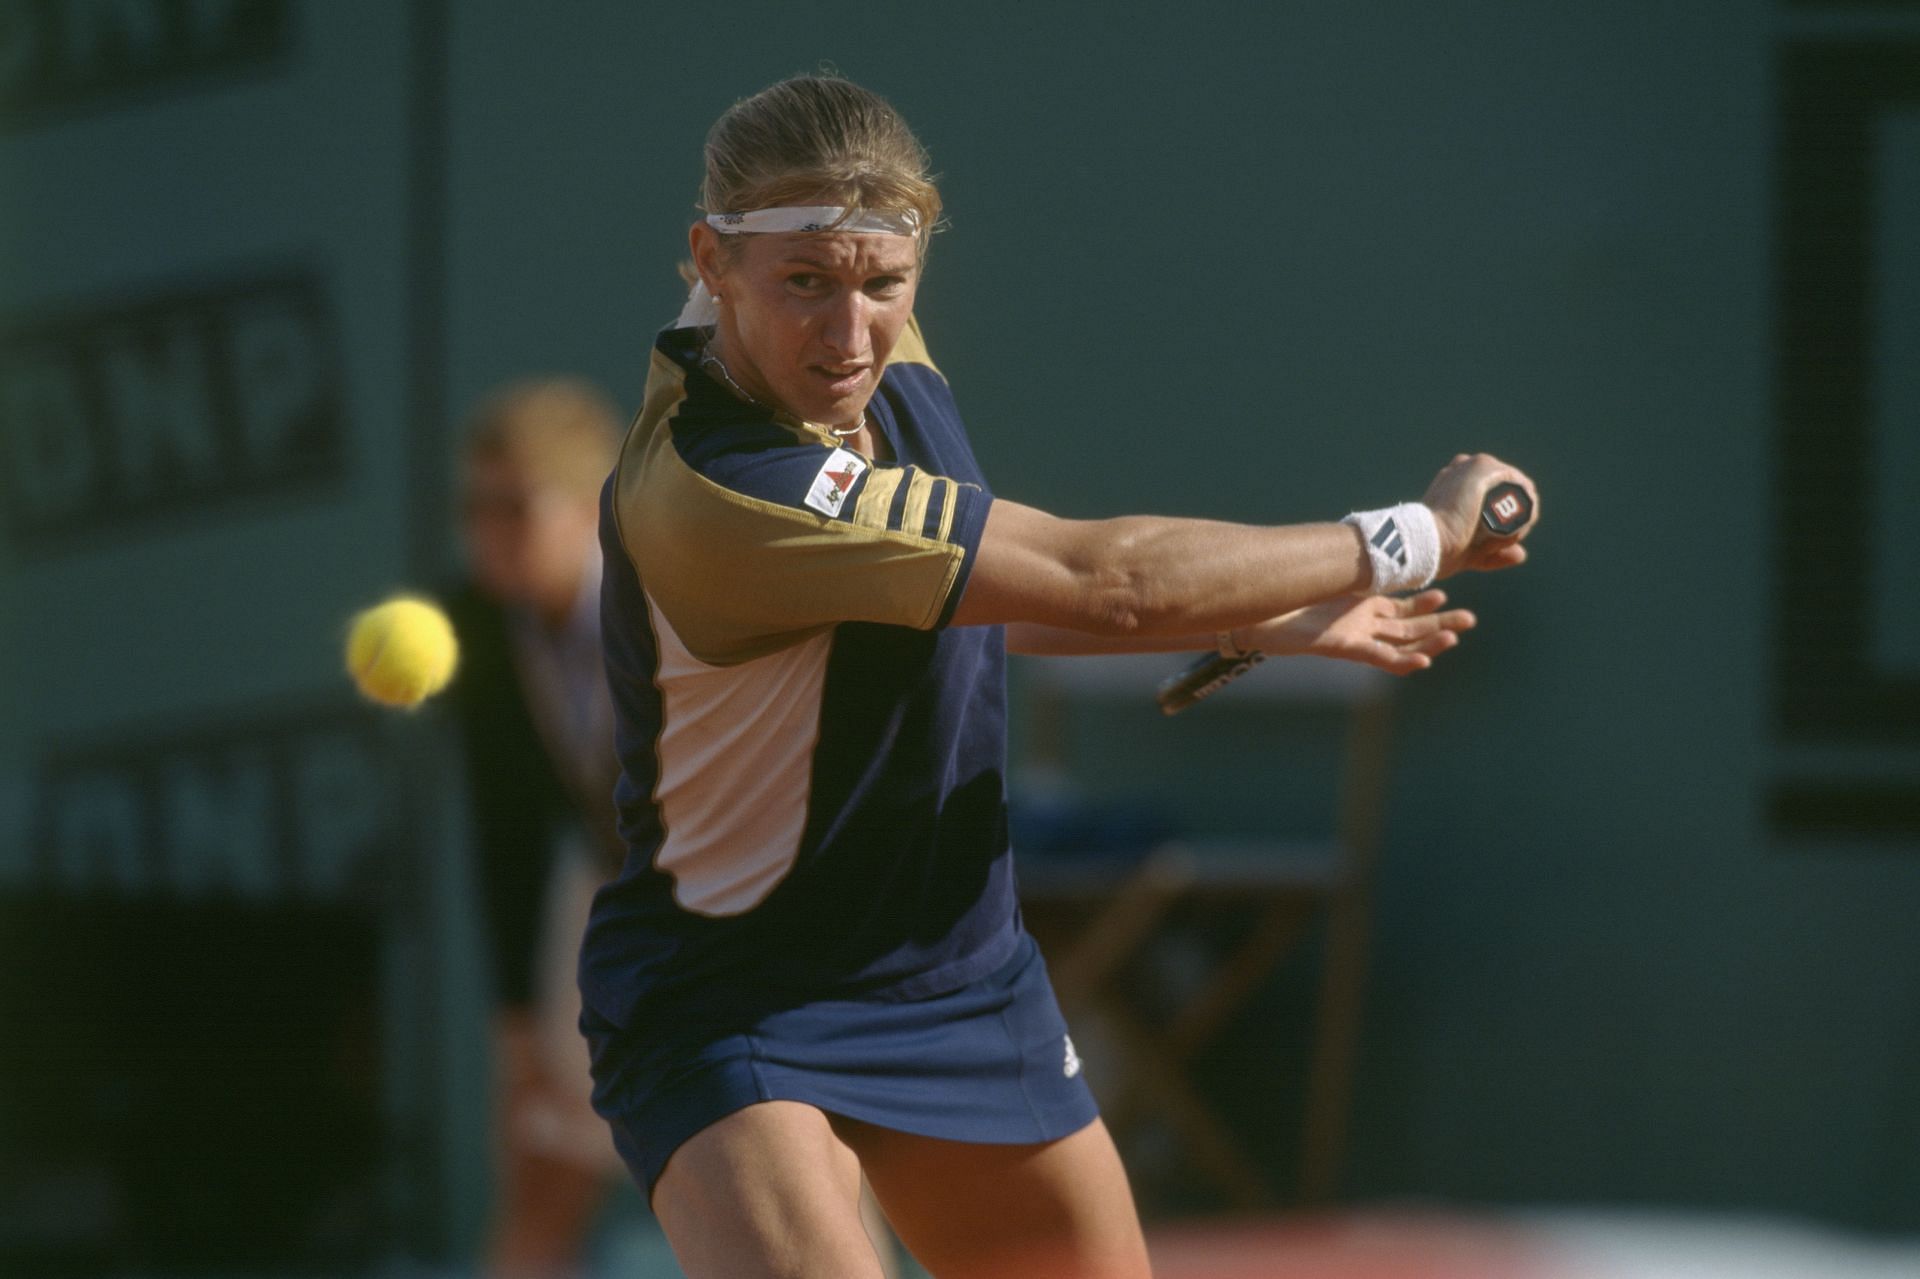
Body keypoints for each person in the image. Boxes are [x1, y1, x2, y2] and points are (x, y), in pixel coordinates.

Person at [579, 75, 1540, 1279]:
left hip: (957, 978)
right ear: (709, 262)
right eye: (807, 285)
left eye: (885, 282)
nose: (851, 334)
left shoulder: (857, 351)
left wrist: (1277, 618)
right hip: (734, 995)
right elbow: (1106, 580)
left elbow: (996, 613)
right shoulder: (718, 492)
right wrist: (1417, 534)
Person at [444, 379, 627, 1278]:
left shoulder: (672, 596)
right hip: (608, 887)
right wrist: (518, 1032)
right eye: (473, 506)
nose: (488, 529)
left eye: (513, 504)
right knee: (544, 1162)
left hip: (741, 900)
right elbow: (505, 832)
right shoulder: (473, 622)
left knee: (811, 1175)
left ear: (590, 507)